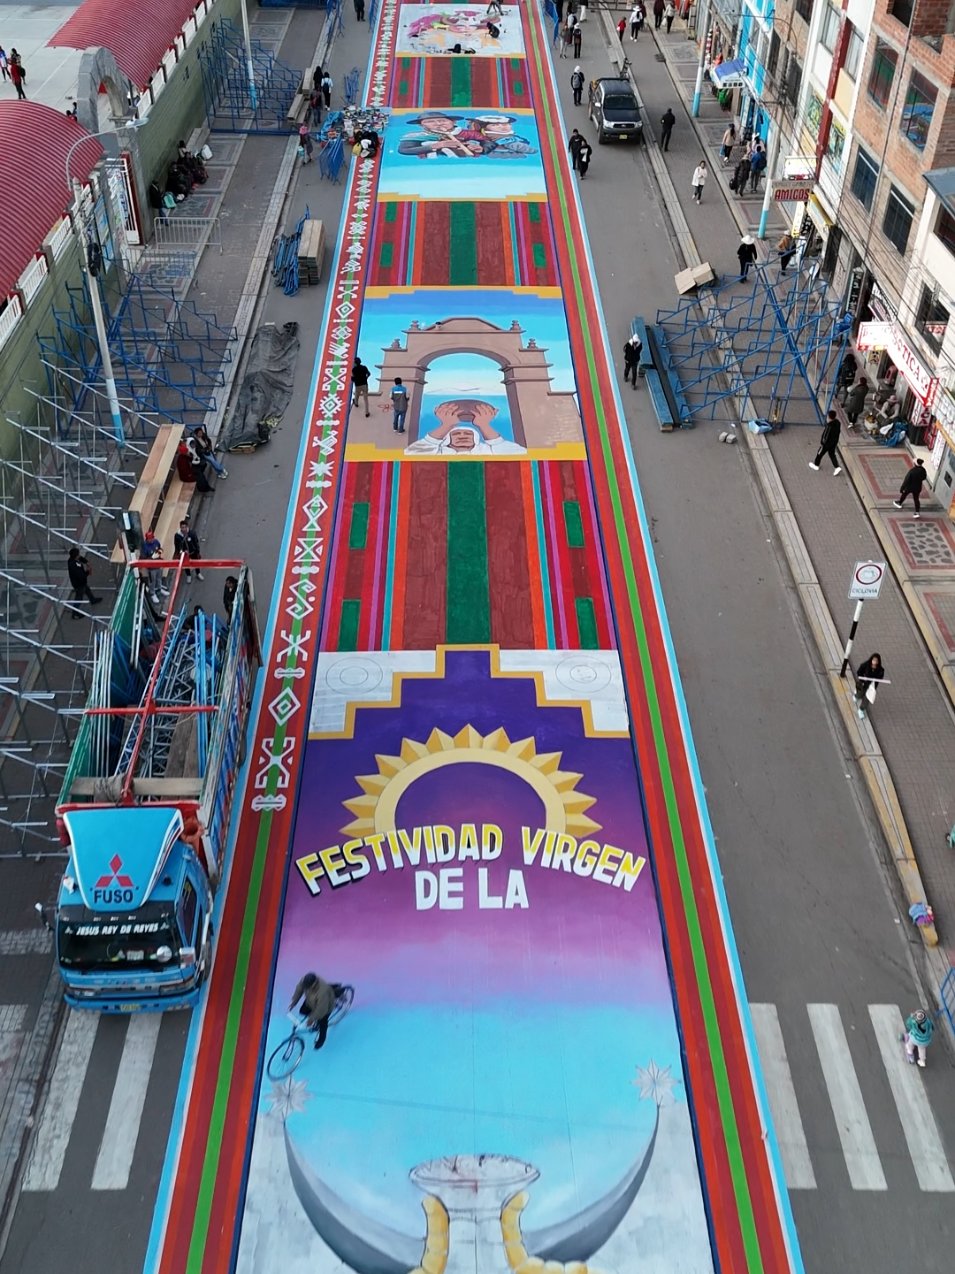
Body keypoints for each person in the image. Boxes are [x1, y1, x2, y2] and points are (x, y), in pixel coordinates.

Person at [289, 972, 344, 1050]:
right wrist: (294, 1002)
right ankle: (314, 1019)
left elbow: (322, 1010)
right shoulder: (305, 981)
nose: (306, 988)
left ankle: (321, 1040)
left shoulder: (322, 992)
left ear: (314, 984)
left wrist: (312, 1019)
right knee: (303, 1011)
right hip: (311, 1001)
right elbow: (299, 989)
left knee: (323, 1023)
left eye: (308, 987)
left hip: (325, 1007)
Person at [67, 547, 102, 613]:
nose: (79, 555)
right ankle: (75, 612)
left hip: (81, 582)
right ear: (76, 556)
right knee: (79, 597)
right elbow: (82, 576)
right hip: (78, 584)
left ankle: (92, 599)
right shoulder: (74, 566)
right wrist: (88, 571)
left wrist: (86, 562)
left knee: (87, 589)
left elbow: (80, 558)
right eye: (78, 554)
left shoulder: (72, 559)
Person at [808, 410, 841, 474]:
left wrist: (822, 442)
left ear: (829, 418)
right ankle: (837, 467)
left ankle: (816, 465)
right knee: (832, 454)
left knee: (819, 453)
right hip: (834, 443)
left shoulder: (829, 426)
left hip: (826, 444)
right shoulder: (838, 423)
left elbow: (825, 435)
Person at [854, 652, 884, 719]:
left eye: (876, 661)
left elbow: (880, 678)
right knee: (860, 692)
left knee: (867, 699)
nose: (875, 662)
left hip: (871, 686)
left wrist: (874, 680)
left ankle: (861, 710)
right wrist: (862, 678)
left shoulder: (880, 670)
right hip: (863, 682)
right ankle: (856, 697)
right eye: (874, 660)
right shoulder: (866, 665)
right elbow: (859, 672)